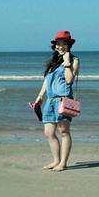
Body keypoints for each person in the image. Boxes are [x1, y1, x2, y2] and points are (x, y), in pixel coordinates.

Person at [34, 30, 80, 172]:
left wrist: (66, 62)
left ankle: (63, 163)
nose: (60, 47)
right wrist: (40, 97)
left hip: (63, 100)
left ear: (69, 45)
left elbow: (69, 79)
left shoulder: (74, 60)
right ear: (55, 46)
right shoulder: (53, 62)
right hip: (50, 101)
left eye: (64, 44)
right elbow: (47, 81)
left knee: (64, 132)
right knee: (48, 132)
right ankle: (56, 160)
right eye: (58, 44)